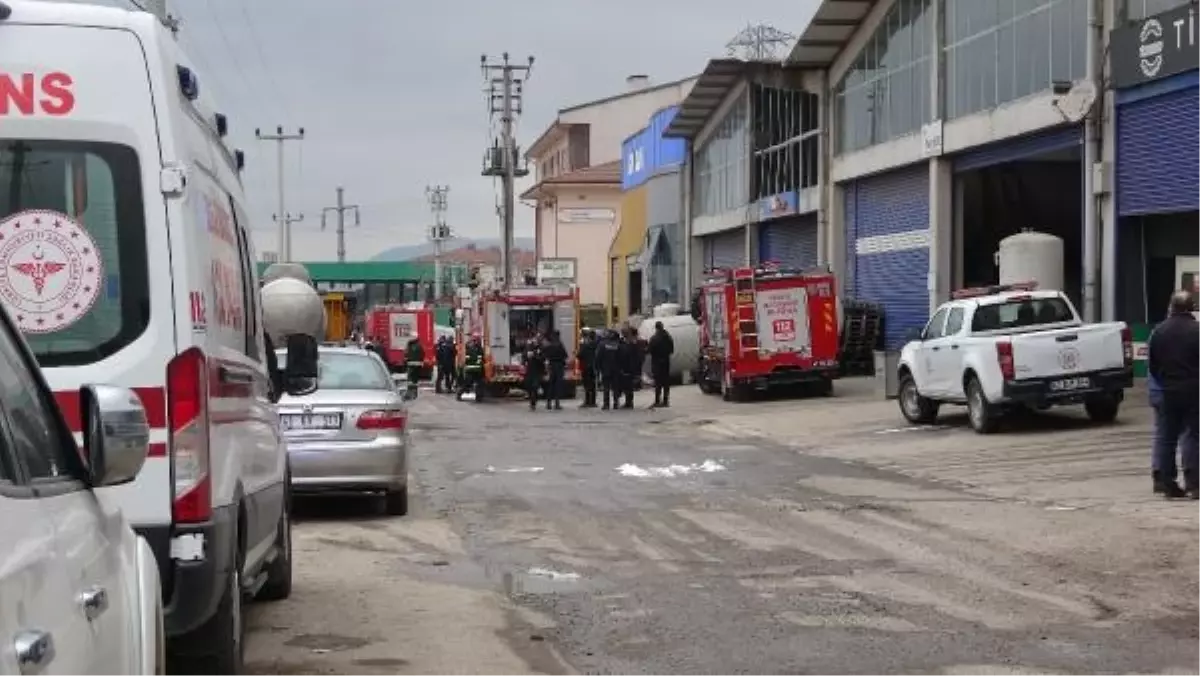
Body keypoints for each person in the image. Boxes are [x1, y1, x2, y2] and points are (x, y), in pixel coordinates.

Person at [1147, 289, 1200, 498]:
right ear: (1191, 308)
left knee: (1167, 437)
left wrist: (1166, 381)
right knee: (1193, 435)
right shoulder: (1197, 331)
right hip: (1194, 390)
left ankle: (1168, 483)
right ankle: (1194, 483)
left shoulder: (1159, 331)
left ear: (1171, 307)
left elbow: (1153, 365)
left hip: (1169, 390)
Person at [648, 321, 675, 408]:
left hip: (657, 362)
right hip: (666, 362)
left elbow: (650, 350)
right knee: (666, 382)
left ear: (656, 328)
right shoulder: (668, 337)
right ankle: (665, 400)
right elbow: (671, 350)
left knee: (658, 383)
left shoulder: (654, 338)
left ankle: (657, 401)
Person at [597, 328, 622, 411]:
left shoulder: (602, 344)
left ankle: (606, 404)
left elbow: (598, 357)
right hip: (616, 369)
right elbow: (621, 357)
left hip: (606, 369)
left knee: (606, 387)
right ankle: (615, 403)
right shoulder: (618, 345)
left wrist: (598, 367)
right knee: (615, 387)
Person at [542, 329, 568, 410]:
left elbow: (544, 355)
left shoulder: (549, 345)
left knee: (551, 385)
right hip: (559, 366)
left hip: (551, 365)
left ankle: (548, 403)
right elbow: (565, 355)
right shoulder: (560, 345)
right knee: (558, 385)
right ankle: (557, 403)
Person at [617, 327, 639, 409]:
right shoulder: (625, 343)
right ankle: (628, 402)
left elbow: (634, 357)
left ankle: (629, 402)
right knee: (627, 385)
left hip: (628, 367)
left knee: (628, 386)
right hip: (626, 367)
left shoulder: (631, 344)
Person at [522, 336, 546, 411]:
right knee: (528, 385)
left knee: (535, 386)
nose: (534, 343)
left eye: (536, 342)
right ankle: (531, 398)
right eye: (533, 342)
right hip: (529, 371)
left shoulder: (541, 349)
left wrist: (535, 356)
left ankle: (533, 402)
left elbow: (543, 359)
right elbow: (524, 357)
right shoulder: (528, 349)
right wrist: (526, 357)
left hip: (538, 371)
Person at [458, 334, 484, 401]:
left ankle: (478, 397)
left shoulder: (474, 348)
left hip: (474, 370)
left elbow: (479, 359)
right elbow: (479, 359)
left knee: (478, 384)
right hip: (473, 370)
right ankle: (459, 394)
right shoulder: (475, 349)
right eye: (478, 340)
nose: (478, 341)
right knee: (469, 384)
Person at [577, 328, 598, 408]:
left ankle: (587, 401)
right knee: (593, 385)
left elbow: (579, 355)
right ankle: (593, 402)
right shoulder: (596, 345)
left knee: (586, 385)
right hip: (593, 367)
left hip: (586, 367)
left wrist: (577, 353)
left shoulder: (585, 346)